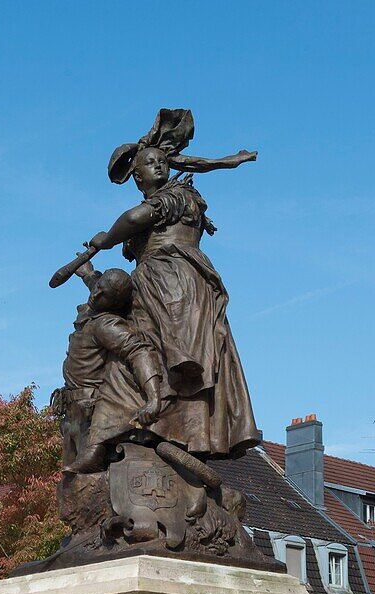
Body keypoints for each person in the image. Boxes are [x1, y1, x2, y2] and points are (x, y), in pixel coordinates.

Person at [79, 108, 261, 459]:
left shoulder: (175, 196)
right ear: (137, 176)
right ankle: (171, 429)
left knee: (142, 352)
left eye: (162, 161)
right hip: (182, 281)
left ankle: (145, 419)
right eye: (150, 162)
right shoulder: (175, 199)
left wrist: (108, 239)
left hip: (168, 281)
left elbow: (135, 217)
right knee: (150, 354)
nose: (159, 166)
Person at [59, 265, 162, 473]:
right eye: (98, 287)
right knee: (68, 486)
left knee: (86, 482)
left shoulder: (106, 325)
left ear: (113, 303)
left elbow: (139, 351)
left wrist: (154, 398)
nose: (95, 294)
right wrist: (89, 274)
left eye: (102, 293)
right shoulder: (94, 308)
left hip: (91, 415)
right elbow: (98, 287)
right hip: (72, 414)